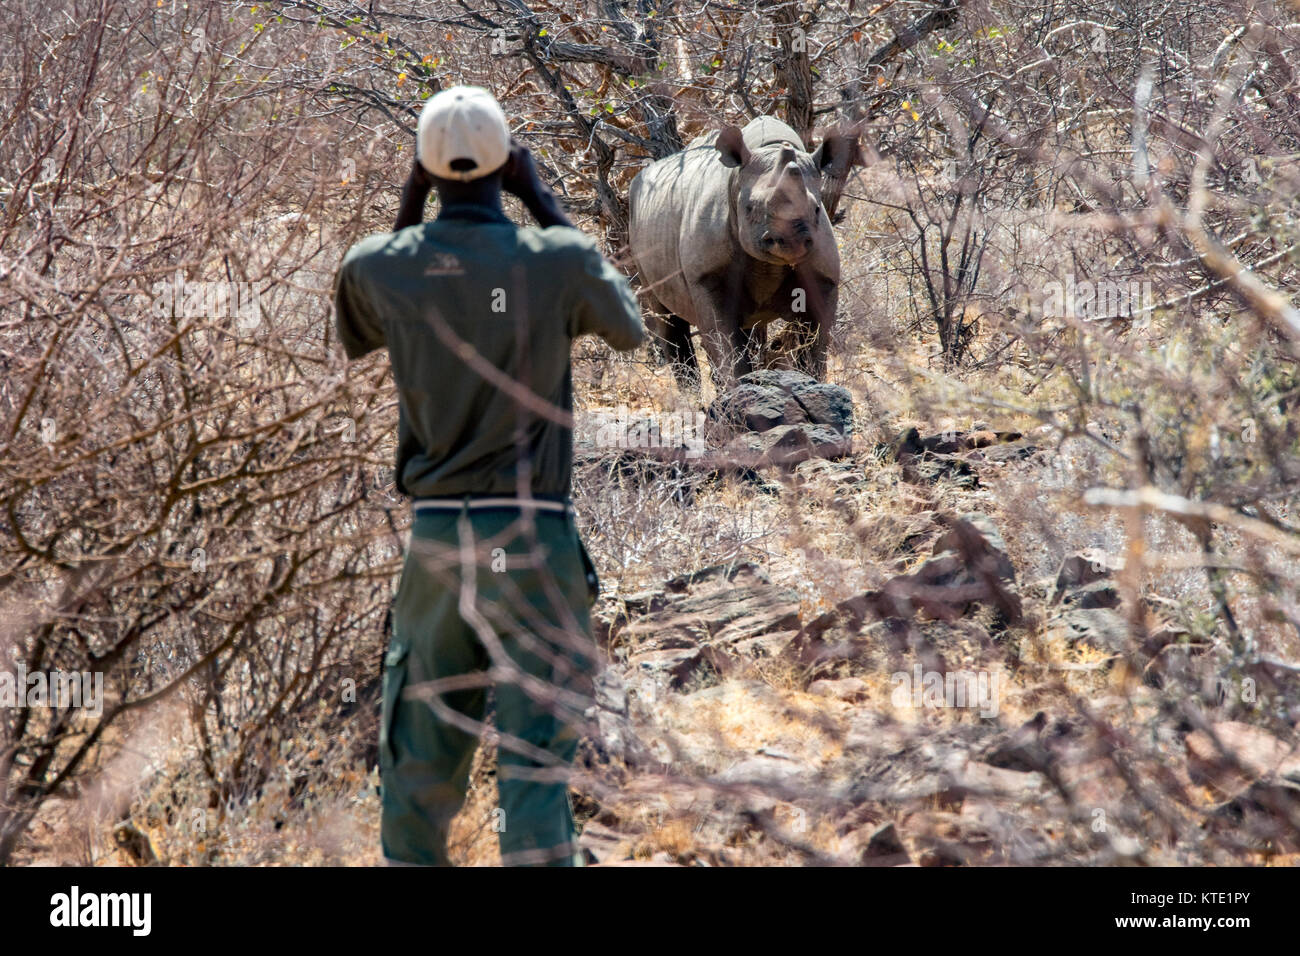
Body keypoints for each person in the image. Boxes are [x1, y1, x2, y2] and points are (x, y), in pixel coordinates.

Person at [332, 85, 644, 866]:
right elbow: (630, 328)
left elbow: (365, 320)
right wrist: (541, 201)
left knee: (418, 761)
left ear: (424, 170)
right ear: (508, 164)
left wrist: (413, 208)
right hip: (532, 536)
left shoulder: (380, 264)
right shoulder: (556, 262)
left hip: (438, 544)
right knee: (534, 761)